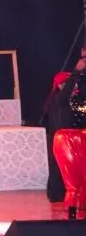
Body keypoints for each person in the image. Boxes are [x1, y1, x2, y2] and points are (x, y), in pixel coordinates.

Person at [48, 57, 85, 220]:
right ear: (61, 86)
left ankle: (78, 207)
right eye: (71, 84)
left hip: (79, 139)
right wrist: (76, 71)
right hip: (66, 141)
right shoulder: (59, 100)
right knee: (72, 177)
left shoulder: (76, 101)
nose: (75, 87)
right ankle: (71, 210)